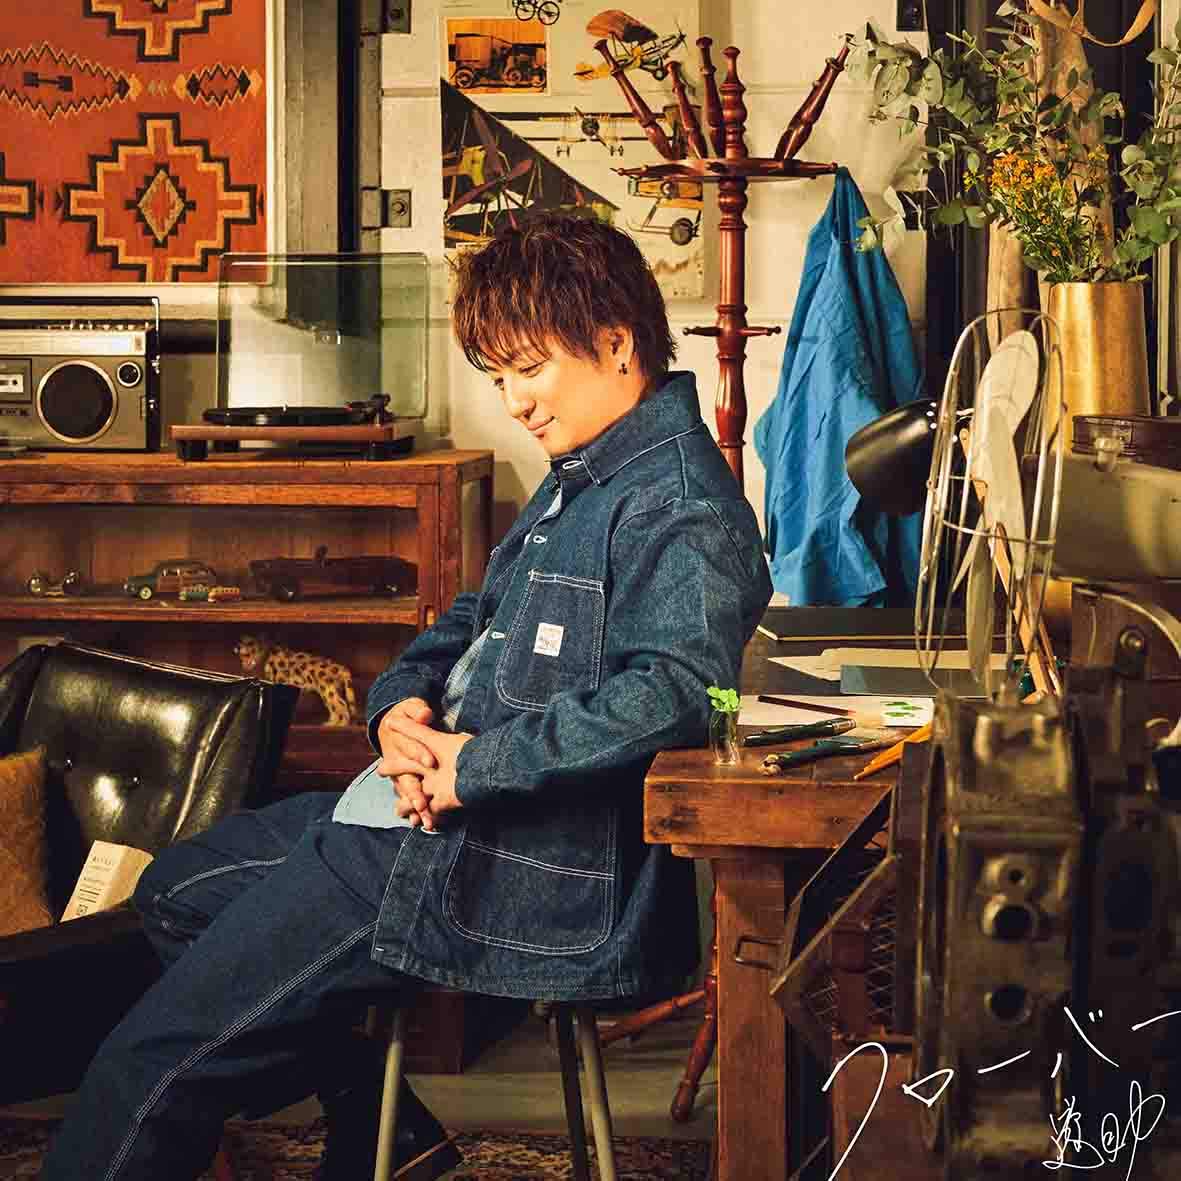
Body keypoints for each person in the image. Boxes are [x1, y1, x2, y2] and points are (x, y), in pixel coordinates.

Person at [41, 213, 772, 1180]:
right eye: (497, 376)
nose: (513, 402)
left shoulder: (681, 504)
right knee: (174, 891)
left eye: (529, 370)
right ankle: (381, 1122)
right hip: (409, 811)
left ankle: (336, 1116)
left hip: (489, 856)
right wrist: (397, 706)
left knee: (151, 1060)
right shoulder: (583, 477)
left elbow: (678, 694)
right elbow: (467, 620)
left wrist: (475, 767)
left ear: (615, 343)